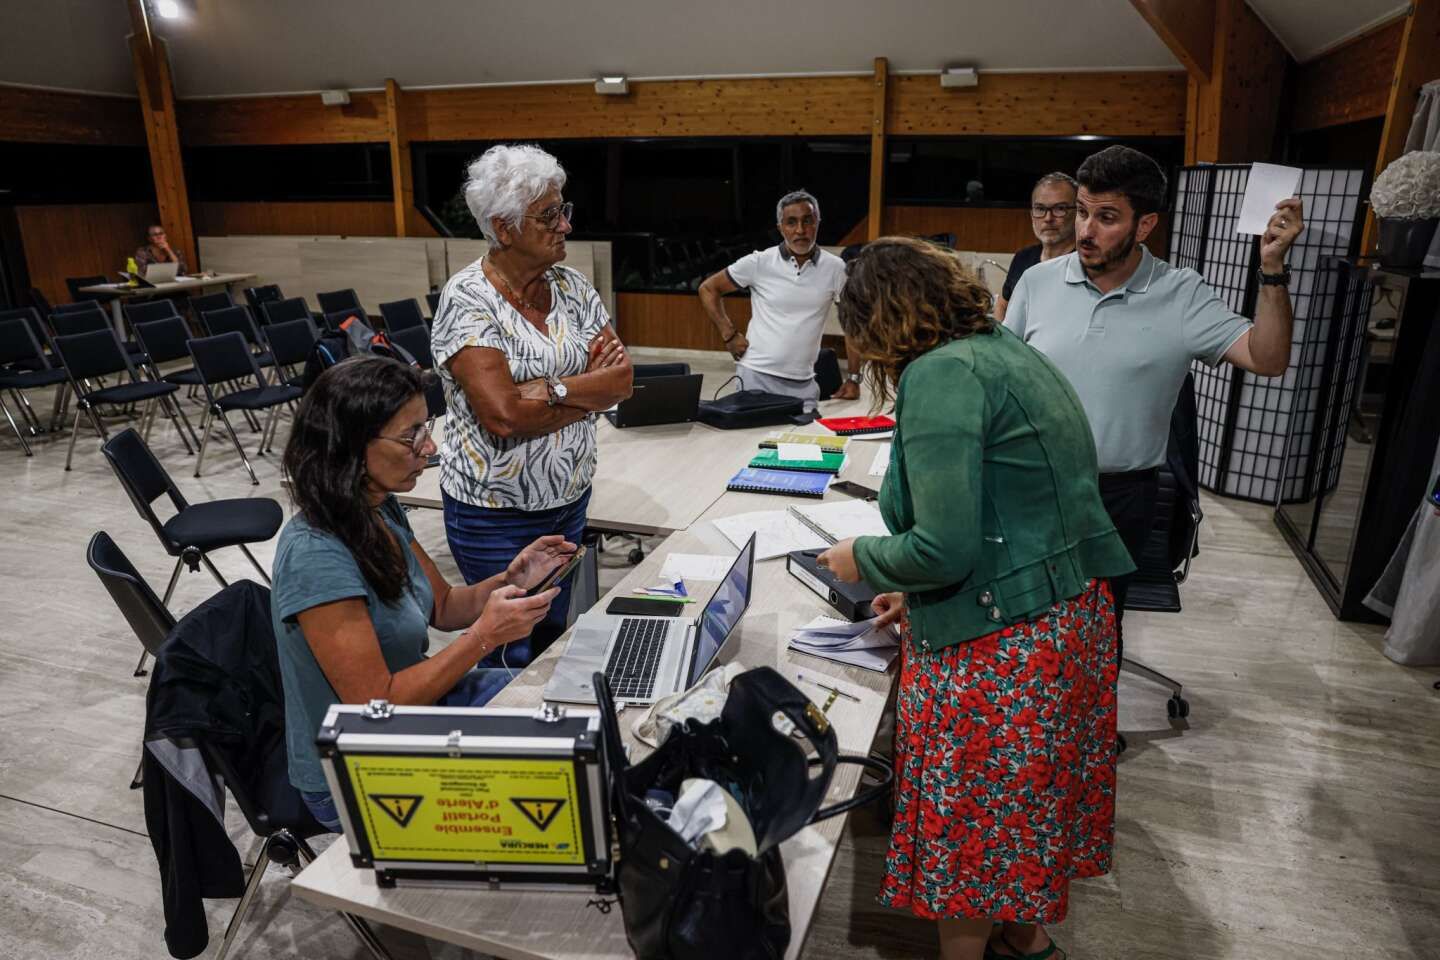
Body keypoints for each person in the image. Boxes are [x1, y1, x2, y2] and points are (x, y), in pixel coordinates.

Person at [815, 237, 1134, 960]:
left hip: (1008, 648)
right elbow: (1009, 514)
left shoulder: (941, 376)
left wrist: (862, 559)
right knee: (1019, 821)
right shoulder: (1002, 348)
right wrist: (912, 590)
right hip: (1065, 619)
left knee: (973, 843)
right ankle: (1027, 941)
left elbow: (945, 548)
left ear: (880, 318)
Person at [1004, 145, 1303, 640]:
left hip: (1118, 497)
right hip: (1030, 485)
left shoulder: (1181, 293)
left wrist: (1271, 269)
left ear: (1144, 225)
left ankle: (1091, 719)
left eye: (1106, 217)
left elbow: (1267, 358)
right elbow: (1002, 377)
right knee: (1022, 628)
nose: (1085, 230)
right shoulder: (1037, 281)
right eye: (1082, 212)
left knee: (1095, 633)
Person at [273, 356, 574, 832]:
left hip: (415, 717)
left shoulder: (377, 506)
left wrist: (510, 580)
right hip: (354, 769)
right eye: (411, 435)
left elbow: (442, 606)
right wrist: (484, 638)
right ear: (349, 446)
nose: (430, 447)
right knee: (563, 794)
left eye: (426, 427)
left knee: (570, 715)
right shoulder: (315, 556)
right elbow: (377, 704)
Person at [431, 143, 632, 668]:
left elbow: (623, 380)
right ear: (504, 228)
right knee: (507, 652)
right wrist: (587, 385)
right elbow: (503, 417)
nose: (565, 225)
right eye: (549, 215)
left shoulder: (573, 286)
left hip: (568, 498)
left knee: (552, 639)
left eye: (562, 210)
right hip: (495, 514)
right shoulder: (468, 299)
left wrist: (554, 389)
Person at [698, 189, 864, 404]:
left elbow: (852, 326)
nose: (800, 230)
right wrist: (728, 334)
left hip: (805, 383)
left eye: (807, 221)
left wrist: (853, 378)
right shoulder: (759, 263)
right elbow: (708, 289)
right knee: (751, 439)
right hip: (754, 376)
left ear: (818, 223)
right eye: (791, 222)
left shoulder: (836, 268)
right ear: (780, 228)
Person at [994, 173, 1078, 323]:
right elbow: (1002, 305)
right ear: (1032, 214)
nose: (1048, 218)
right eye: (1040, 208)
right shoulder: (1023, 258)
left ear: (1078, 213)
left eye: (1059, 208)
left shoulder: (1086, 262)